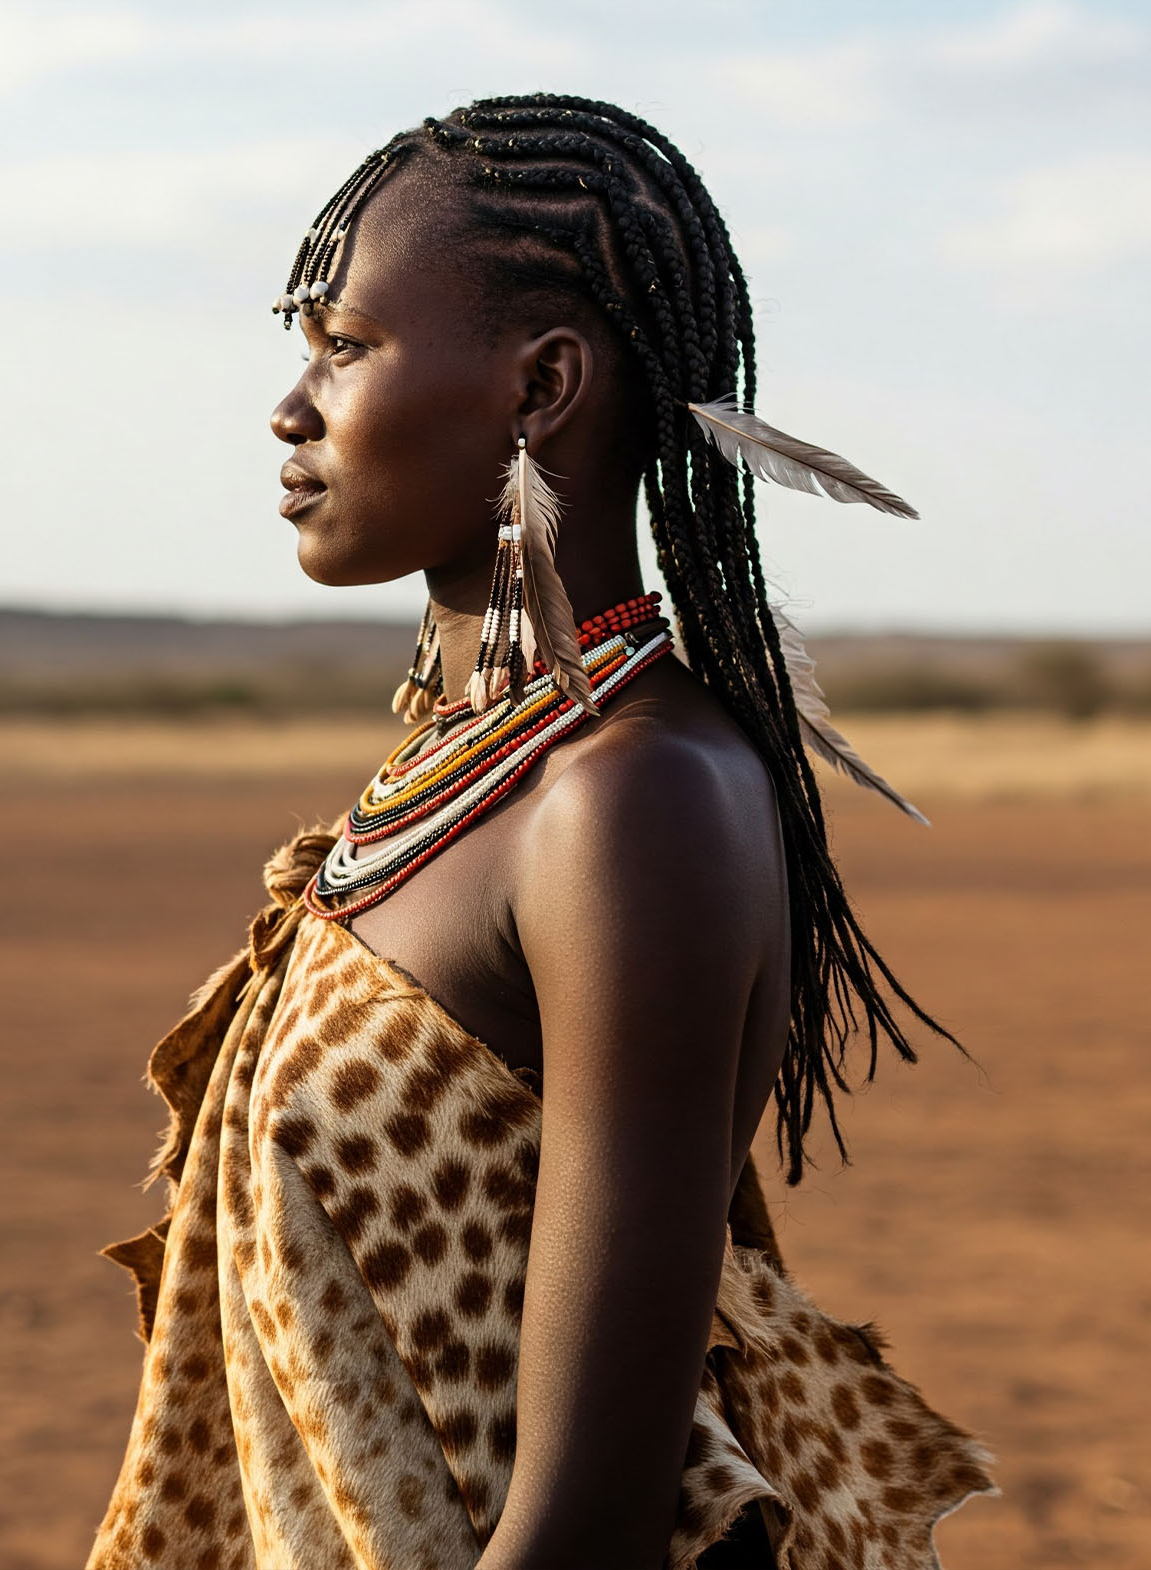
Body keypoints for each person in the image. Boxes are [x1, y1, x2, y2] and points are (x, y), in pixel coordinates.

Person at [87, 95, 996, 1570]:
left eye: (346, 345)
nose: (291, 408)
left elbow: (587, 1522)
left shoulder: (630, 802)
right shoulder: (474, 769)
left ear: (542, 385)